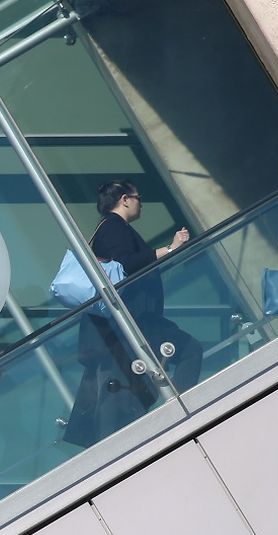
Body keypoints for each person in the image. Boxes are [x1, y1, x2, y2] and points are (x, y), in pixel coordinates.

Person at [65, 180, 202, 447]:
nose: (141, 203)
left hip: (123, 325)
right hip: (132, 322)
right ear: (125, 199)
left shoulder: (108, 229)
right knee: (189, 350)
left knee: (122, 395)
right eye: (139, 198)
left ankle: (131, 438)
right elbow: (126, 264)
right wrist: (170, 248)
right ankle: (177, 413)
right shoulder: (114, 228)